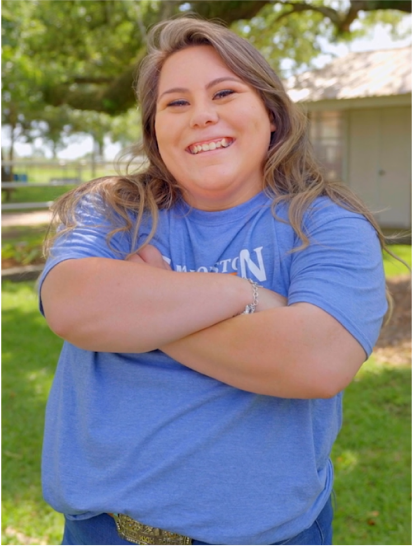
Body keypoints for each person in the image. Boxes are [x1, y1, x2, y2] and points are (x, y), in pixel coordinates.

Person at [39, 17, 389, 546]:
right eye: (176, 103)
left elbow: (317, 360)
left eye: (225, 92)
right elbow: (70, 305)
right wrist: (240, 294)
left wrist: (141, 313)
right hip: (98, 532)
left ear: (270, 114)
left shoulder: (326, 224)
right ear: (155, 130)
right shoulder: (115, 211)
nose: (202, 116)